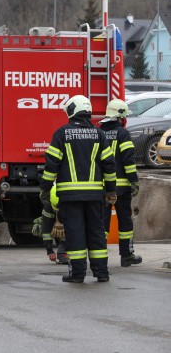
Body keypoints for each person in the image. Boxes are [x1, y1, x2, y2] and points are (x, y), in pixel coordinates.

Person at [40, 95, 116, 283]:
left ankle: (78, 273)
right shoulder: (100, 134)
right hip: (94, 196)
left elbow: (52, 166)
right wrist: (111, 190)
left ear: (71, 111)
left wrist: (45, 188)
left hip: (70, 196)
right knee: (96, 231)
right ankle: (102, 272)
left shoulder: (61, 134)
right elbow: (109, 165)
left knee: (75, 232)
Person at [99, 99, 142, 267]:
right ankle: (126, 255)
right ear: (121, 117)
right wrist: (134, 181)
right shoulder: (123, 134)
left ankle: (99, 256)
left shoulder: (98, 132)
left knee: (102, 221)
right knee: (125, 220)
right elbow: (128, 160)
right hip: (122, 188)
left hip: (102, 186)